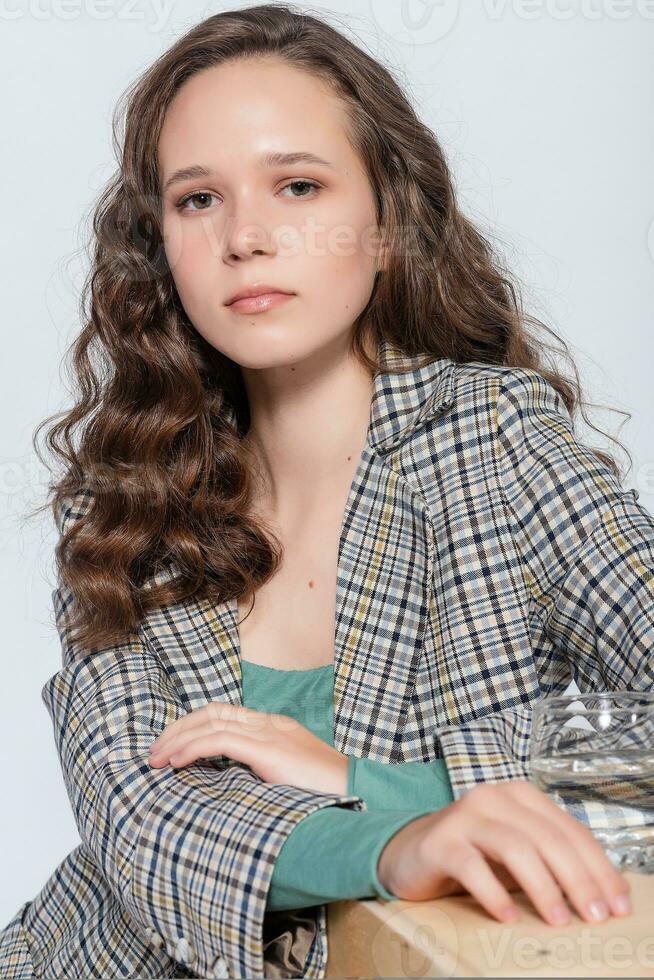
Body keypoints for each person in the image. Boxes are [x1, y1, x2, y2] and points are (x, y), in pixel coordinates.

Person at [2, 5, 651, 979]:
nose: (247, 237)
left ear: (388, 221)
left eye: (297, 185)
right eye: (197, 200)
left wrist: (370, 784)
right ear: (160, 249)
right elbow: (137, 823)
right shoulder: (127, 513)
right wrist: (399, 841)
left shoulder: (496, 442)